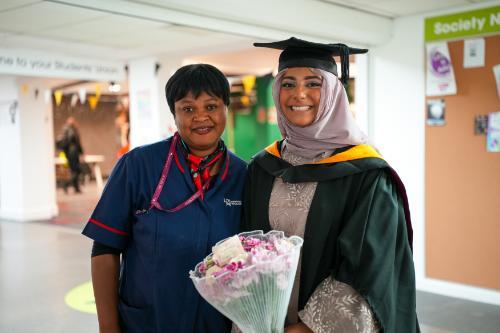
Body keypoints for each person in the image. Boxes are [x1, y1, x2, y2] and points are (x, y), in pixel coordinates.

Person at [241, 37, 420, 333]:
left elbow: (370, 265)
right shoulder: (263, 167)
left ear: (334, 93)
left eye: (314, 83)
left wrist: (306, 328)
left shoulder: (366, 173)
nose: (299, 94)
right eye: (288, 84)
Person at [82, 64, 247, 333]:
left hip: (216, 323)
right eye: (188, 108)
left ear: (226, 109)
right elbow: (105, 249)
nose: (201, 117)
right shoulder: (137, 166)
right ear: (174, 113)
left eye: (211, 106)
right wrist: (108, 327)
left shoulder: (242, 175)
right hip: (148, 322)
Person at [57, 116, 84, 193]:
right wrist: (81, 152)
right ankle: (66, 185)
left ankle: (76, 188)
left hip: (68, 153)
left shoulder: (65, 130)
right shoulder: (72, 130)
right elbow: (77, 143)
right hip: (73, 153)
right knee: (76, 170)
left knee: (74, 170)